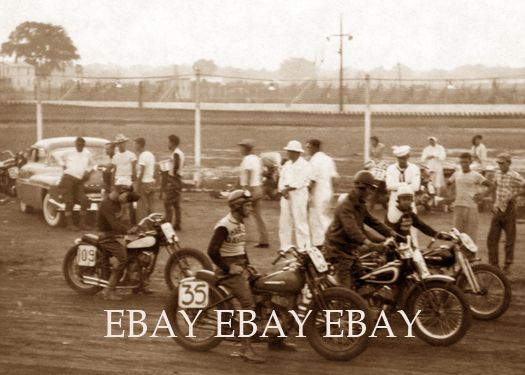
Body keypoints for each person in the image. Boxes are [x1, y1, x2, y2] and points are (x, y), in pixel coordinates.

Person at [207, 190, 295, 363]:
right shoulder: (225, 225)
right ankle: (245, 349)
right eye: (247, 205)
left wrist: (248, 264)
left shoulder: (240, 224)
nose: (251, 208)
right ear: (237, 206)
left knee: (268, 291)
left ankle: (276, 340)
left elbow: (240, 247)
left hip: (240, 268)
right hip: (227, 272)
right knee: (248, 303)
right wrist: (228, 268)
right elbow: (212, 251)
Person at [323, 170, 401, 286]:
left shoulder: (360, 204)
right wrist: (371, 245)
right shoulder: (346, 206)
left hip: (350, 251)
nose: (371, 193)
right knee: (346, 290)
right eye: (370, 189)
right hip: (338, 251)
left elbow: (374, 222)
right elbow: (352, 231)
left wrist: (394, 234)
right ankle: (341, 302)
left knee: (363, 280)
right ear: (362, 187)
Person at [97, 189, 141, 301]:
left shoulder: (118, 203)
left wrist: (136, 227)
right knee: (123, 259)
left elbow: (125, 221)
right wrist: (128, 230)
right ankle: (109, 290)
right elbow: (115, 224)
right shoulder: (106, 204)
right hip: (107, 237)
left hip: (117, 235)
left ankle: (139, 284)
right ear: (120, 191)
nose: (126, 202)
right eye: (126, 198)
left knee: (138, 250)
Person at [486, 153, 525, 275]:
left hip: (510, 209)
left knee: (509, 239)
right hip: (498, 209)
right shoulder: (497, 173)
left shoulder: (514, 175)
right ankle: (494, 265)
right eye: (498, 163)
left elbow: (524, 186)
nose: (500, 165)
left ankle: (507, 265)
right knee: (492, 239)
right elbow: (495, 187)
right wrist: (491, 201)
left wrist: (515, 195)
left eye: (502, 163)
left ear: (509, 163)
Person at [448, 153, 492, 242]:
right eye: (462, 162)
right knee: (457, 235)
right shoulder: (456, 174)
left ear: (470, 162)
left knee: (470, 235)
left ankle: (471, 256)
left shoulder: (476, 175)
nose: (464, 164)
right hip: (458, 206)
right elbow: (448, 184)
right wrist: (451, 196)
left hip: (471, 207)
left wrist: (482, 196)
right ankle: (458, 256)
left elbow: (491, 185)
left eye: (466, 162)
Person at [278, 140, 312, 251]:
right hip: (286, 195)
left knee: (300, 221)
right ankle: (285, 246)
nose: (288, 153)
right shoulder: (287, 165)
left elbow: (301, 182)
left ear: (297, 152)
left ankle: (304, 247)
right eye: (288, 151)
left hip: (299, 194)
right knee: (284, 221)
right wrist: (282, 190)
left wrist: (287, 189)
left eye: (290, 151)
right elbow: (282, 179)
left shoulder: (305, 165)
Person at [385, 185, 451, 241]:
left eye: (409, 200)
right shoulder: (393, 213)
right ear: (398, 200)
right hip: (395, 244)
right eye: (404, 200)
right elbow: (391, 232)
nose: (406, 202)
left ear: (412, 201)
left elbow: (422, 226)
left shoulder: (409, 212)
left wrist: (438, 235)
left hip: (407, 243)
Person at [306, 139, 338, 248]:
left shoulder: (314, 160)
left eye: (309, 147)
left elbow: (312, 180)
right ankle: (322, 242)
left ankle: (327, 242)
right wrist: (333, 192)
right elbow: (335, 178)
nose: (308, 150)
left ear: (315, 147)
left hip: (318, 193)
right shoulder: (328, 159)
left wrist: (308, 195)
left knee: (318, 218)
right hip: (328, 191)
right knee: (323, 217)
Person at [58, 137, 94, 231]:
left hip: (79, 180)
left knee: (84, 200)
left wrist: (88, 171)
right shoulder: (70, 152)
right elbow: (56, 155)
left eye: (81, 145)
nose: (79, 147)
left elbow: (92, 165)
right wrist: (63, 165)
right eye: (78, 145)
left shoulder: (87, 154)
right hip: (68, 178)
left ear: (84, 145)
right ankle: (69, 224)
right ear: (75, 144)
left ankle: (82, 223)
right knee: (69, 201)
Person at [238, 139, 269, 248]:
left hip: (251, 189)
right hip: (258, 187)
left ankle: (242, 238)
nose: (240, 149)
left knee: (240, 212)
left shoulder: (247, 159)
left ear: (246, 148)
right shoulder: (257, 158)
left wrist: (247, 190)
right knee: (258, 215)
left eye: (242, 147)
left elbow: (249, 173)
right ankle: (264, 239)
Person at [385, 145, 421, 218]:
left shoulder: (414, 168)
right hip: (395, 200)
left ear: (408, 157)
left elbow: (415, 187)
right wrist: (407, 184)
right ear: (397, 158)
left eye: (404, 158)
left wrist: (397, 186)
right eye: (400, 158)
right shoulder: (391, 168)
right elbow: (389, 186)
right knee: (393, 221)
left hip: (409, 200)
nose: (402, 161)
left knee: (412, 223)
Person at [111, 134, 137, 223]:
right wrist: (112, 184)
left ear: (125, 143)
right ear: (117, 145)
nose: (121, 145)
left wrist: (134, 182)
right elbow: (114, 170)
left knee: (125, 200)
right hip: (118, 181)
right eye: (119, 143)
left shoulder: (131, 155)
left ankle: (127, 219)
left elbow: (134, 170)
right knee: (114, 199)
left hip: (127, 181)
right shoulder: (115, 156)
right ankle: (119, 220)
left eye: (122, 143)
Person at [163, 134, 184, 230]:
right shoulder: (179, 153)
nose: (168, 144)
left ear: (173, 143)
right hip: (178, 178)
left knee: (167, 202)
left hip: (174, 179)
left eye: (169, 142)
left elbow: (176, 165)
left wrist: (173, 175)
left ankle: (168, 224)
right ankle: (177, 224)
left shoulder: (176, 153)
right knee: (176, 204)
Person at [134, 138, 156, 220]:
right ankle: (153, 225)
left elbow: (141, 172)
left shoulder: (142, 156)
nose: (135, 146)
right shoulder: (150, 154)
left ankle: (142, 227)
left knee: (141, 208)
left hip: (144, 183)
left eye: (135, 144)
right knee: (151, 207)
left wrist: (137, 186)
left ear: (139, 145)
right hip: (151, 182)